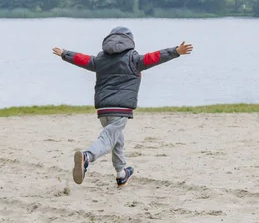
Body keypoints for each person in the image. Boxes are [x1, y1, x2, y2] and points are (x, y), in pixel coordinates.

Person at [52, 26, 193, 188]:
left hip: (103, 109)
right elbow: (154, 57)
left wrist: (65, 53)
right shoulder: (134, 59)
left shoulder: (100, 59)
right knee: (107, 139)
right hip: (121, 109)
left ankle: (121, 174)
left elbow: (82, 59)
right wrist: (176, 51)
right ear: (130, 41)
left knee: (117, 139)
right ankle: (87, 156)